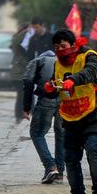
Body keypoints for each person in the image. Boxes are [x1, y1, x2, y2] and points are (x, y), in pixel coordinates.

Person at [49, 28, 97, 194]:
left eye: (63, 46)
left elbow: (91, 73)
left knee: (93, 148)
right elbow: (56, 84)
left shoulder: (89, 56)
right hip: (72, 116)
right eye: (56, 47)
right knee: (70, 158)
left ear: (73, 45)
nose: (60, 50)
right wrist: (49, 88)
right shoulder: (57, 64)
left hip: (95, 111)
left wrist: (73, 81)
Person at [21, 46, 65, 184]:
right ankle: (59, 172)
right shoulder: (64, 60)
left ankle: (50, 166)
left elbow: (28, 82)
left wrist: (26, 107)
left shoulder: (37, 61)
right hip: (64, 100)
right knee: (61, 134)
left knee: (36, 133)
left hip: (47, 98)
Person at [11, 22, 33, 122]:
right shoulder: (21, 37)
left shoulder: (21, 37)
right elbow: (18, 45)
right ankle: (19, 115)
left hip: (21, 71)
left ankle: (23, 114)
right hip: (20, 72)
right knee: (21, 94)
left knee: (24, 94)